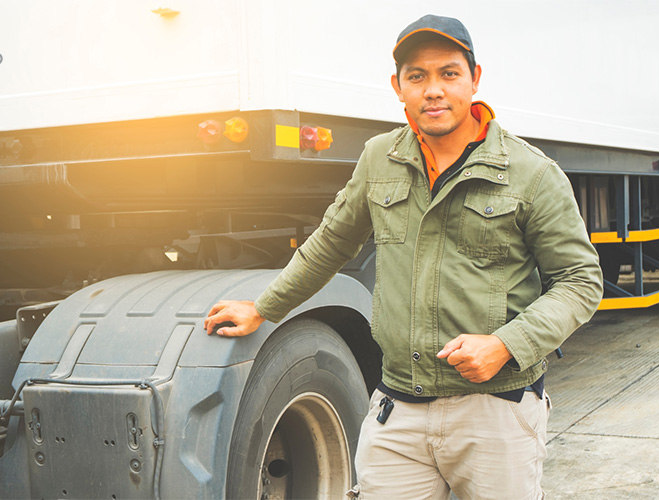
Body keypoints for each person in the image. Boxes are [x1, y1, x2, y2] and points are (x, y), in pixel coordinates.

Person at [204, 14, 603, 499]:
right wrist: (264, 307)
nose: (433, 90)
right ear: (398, 87)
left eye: (449, 74)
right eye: (417, 76)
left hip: (495, 411)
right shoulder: (379, 158)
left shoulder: (531, 173)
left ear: (475, 80)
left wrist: (506, 344)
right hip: (400, 411)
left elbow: (581, 281)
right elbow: (330, 243)